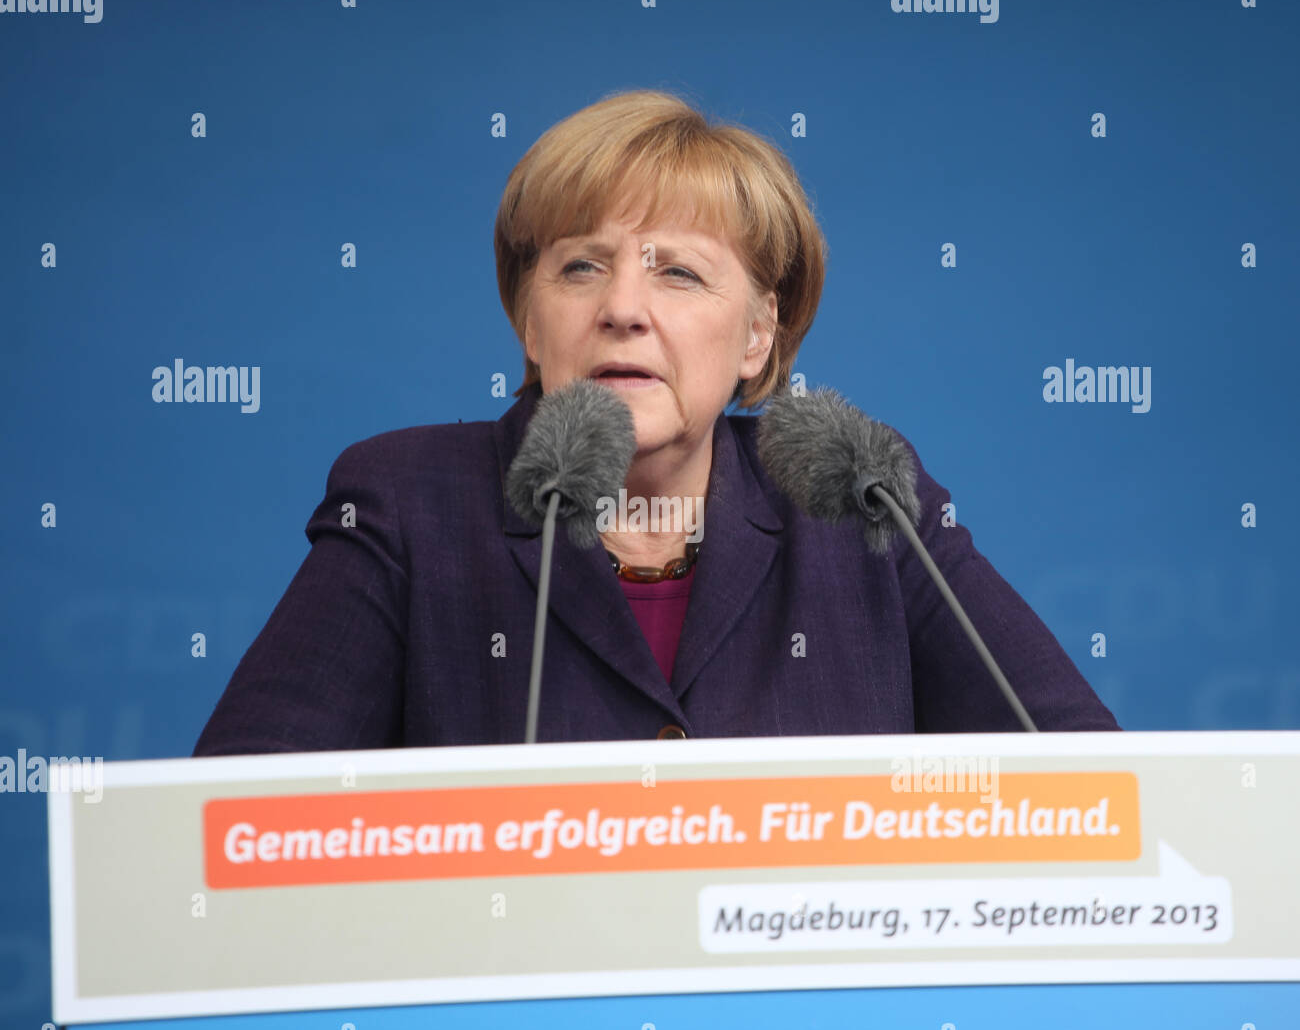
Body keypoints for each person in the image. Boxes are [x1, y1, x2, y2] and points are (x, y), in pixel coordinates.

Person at [192, 89, 1118, 756]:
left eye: (677, 272)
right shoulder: (410, 508)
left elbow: (1093, 783)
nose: (624, 308)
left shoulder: (860, 508)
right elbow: (237, 832)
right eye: (582, 267)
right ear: (528, 317)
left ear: (758, 335)